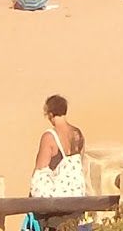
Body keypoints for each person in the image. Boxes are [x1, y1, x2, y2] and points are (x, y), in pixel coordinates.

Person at [28, 94, 87, 226]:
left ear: (49, 114)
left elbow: (40, 170)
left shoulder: (50, 136)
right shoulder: (78, 134)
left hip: (58, 201)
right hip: (77, 195)